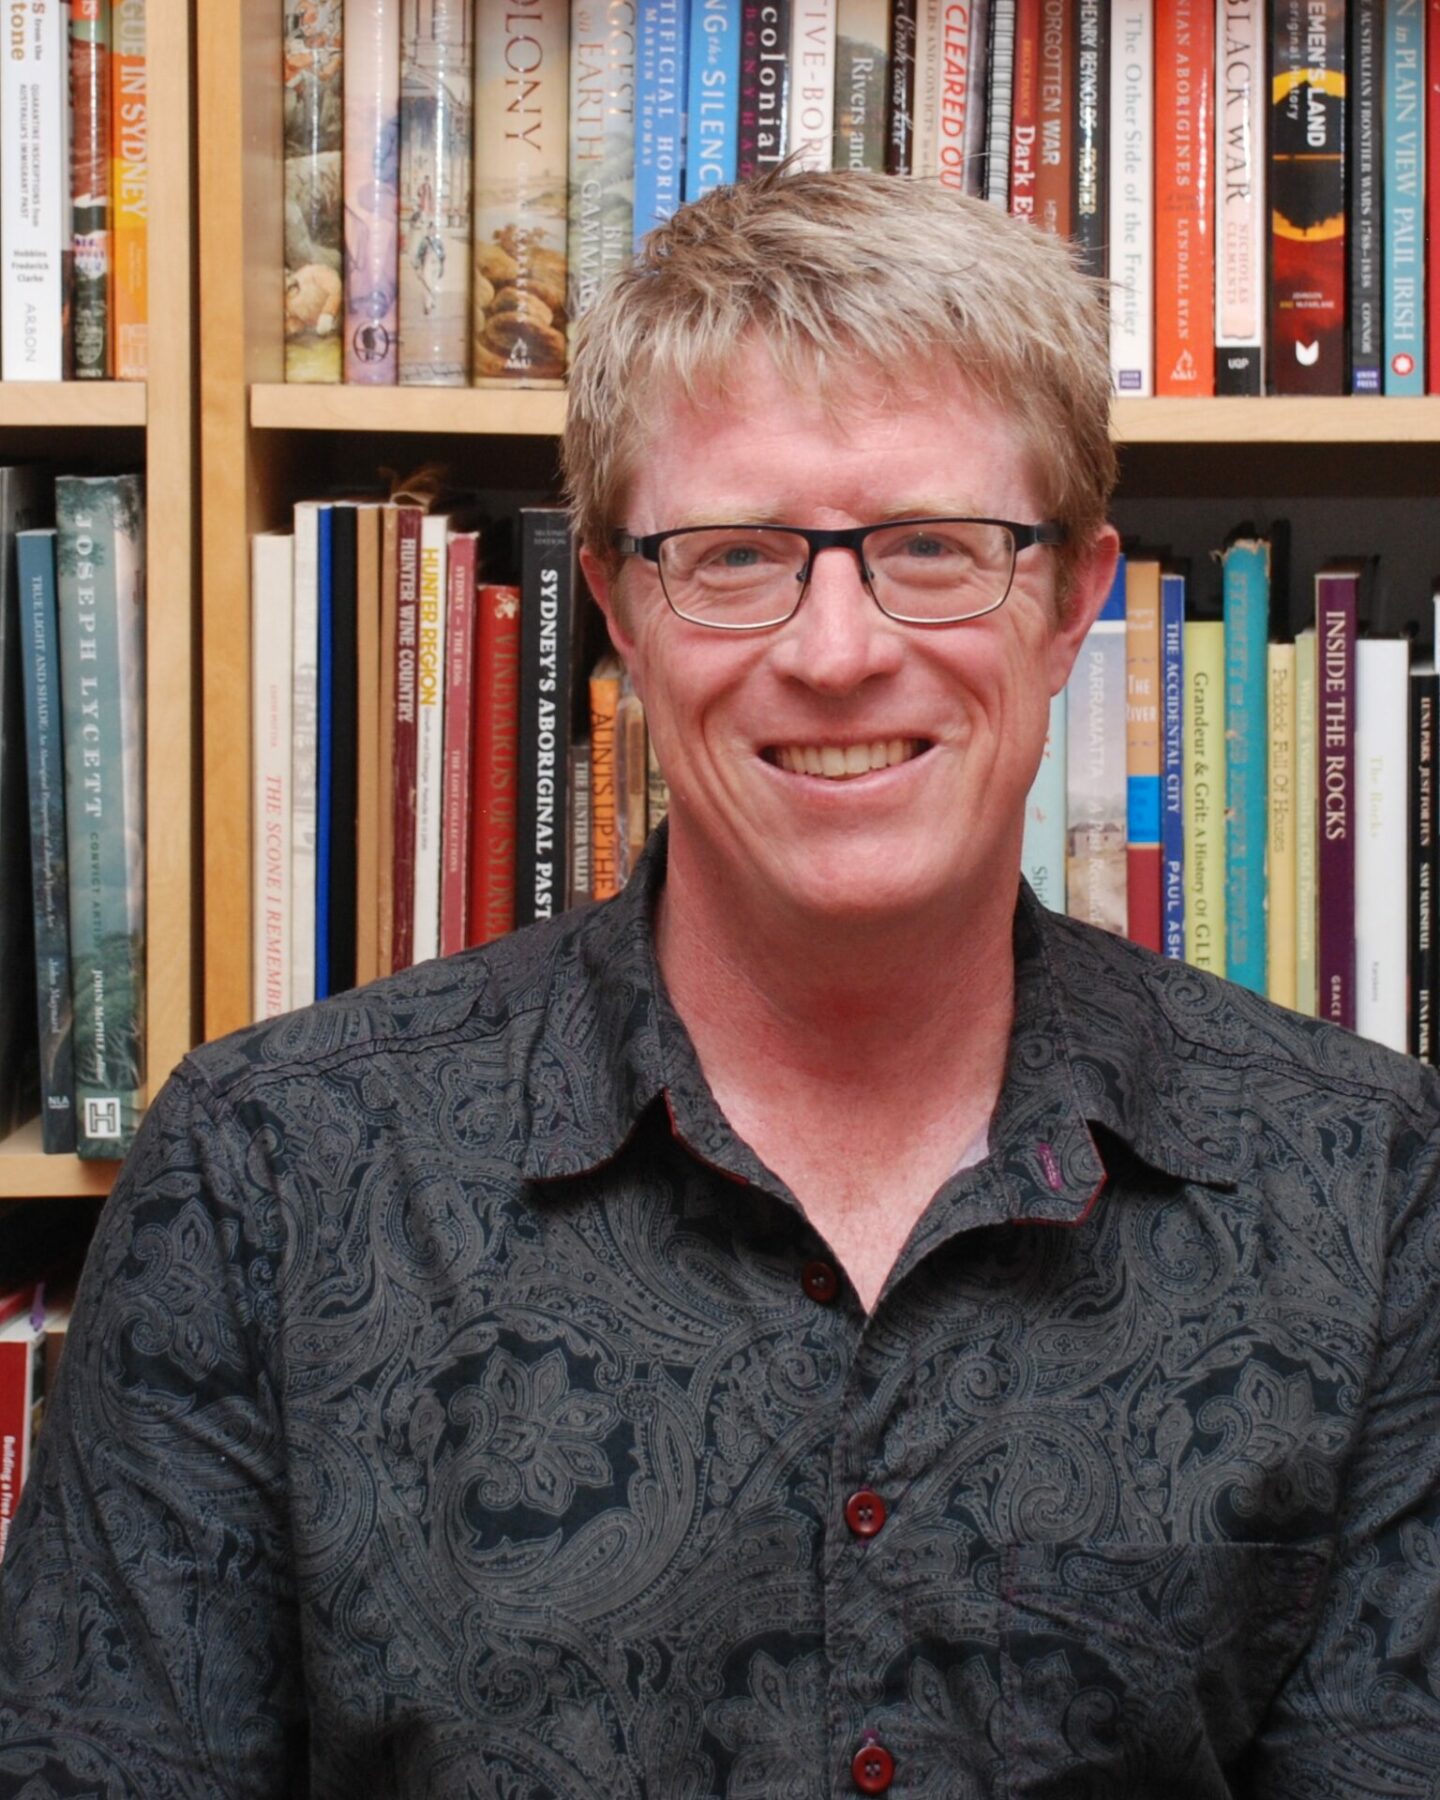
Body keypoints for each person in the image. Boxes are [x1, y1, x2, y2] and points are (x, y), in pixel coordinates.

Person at [3, 169, 1439, 1798]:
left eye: (932, 547)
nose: (835, 651)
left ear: (1072, 602)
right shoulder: (268, 1176)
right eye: (740, 555)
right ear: (616, 606)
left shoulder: (1366, 1182)